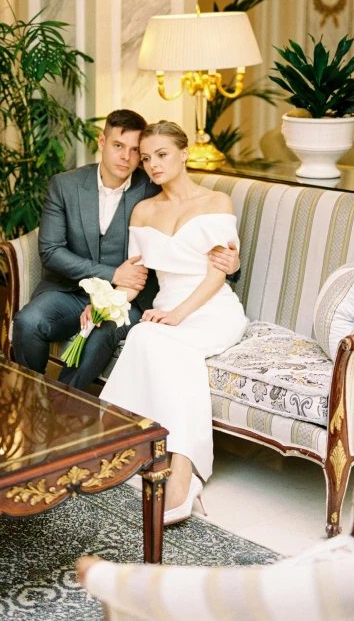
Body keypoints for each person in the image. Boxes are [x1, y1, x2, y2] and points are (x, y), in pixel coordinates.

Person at [12, 110, 240, 391]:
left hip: (132, 299)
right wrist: (113, 274)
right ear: (101, 141)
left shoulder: (151, 187)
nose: (127, 158)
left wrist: (232, 264)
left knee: (105, 330)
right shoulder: (66, 185)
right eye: (119, 146)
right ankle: (29, 396)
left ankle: (65, 401)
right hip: (69, 291)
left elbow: (198, 248)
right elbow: (50, 251)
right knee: (28, 321)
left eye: (136, 152)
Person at [99, 121, 248, 525]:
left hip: (210, 309)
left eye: (161, 155)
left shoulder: (217, 202)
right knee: (145, 334)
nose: (152, 165)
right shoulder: (144, 210)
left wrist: (180, 316)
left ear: (185, 153)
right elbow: (136, 277)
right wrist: (104, 306)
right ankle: (127, 448)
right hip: (166, 311)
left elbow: (219, 271)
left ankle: (182, 473)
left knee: (159, 338)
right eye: (146, 158)